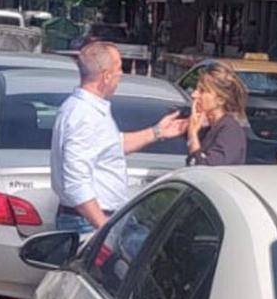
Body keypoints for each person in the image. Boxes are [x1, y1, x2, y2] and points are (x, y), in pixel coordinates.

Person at [51, 41, 187, 233]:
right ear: (106, 77)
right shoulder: (85, 117)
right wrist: (105, 230)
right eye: (119, 68)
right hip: (89, 224)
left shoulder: (87, 109)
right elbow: (76, 183)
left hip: (98, 219)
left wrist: (158, 132)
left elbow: (112, 146)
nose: (121, 74)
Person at [186, 62, 250, 166]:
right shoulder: (209, 128)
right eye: (196, 89)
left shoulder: (230, 131)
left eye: (202, 91)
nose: (194, 95)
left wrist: (192, 134)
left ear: (220, 100)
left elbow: (204, 169)